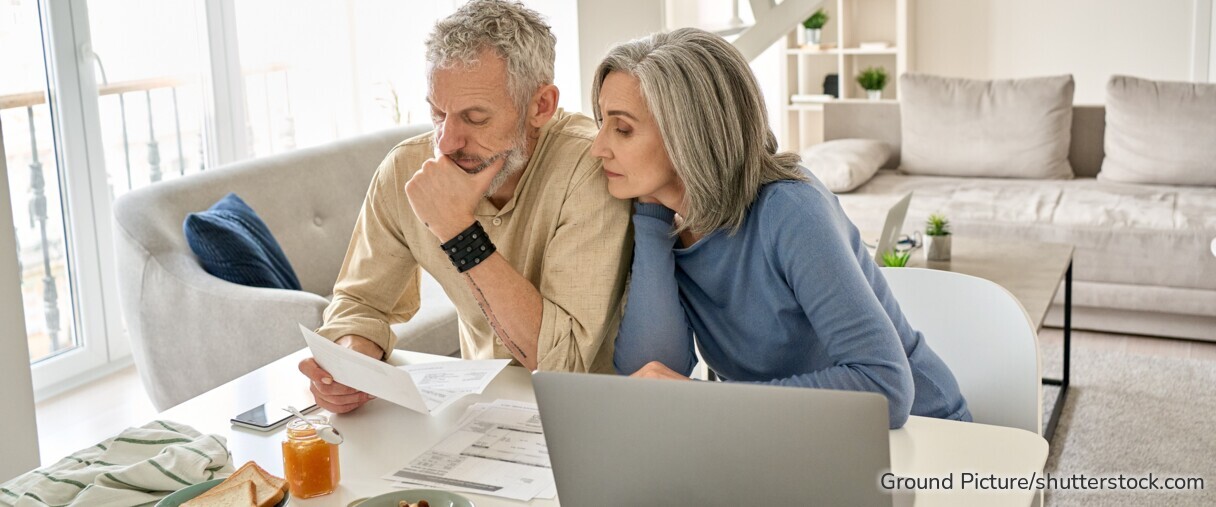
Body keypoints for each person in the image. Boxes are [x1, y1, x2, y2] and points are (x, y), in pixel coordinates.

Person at [596, 28, 970, 429]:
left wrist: (708, 398)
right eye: (601, 123)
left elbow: (885, 388)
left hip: (921, 436)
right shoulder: (669, 220)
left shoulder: (790, 210)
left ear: (689, 134)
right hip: (790, 437)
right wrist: (652, 222)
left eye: (622, 129)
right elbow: (650, 376)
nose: (597, 146)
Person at [300, 0, 632, 414]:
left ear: (540, 106)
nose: (445, 142)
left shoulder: (591, 168)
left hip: (590, 413)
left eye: (475, 118)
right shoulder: (406, 168)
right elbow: (360, 303)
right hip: (479, 413)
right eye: (438, 113)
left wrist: (459, 233)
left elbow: (559, 362)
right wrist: (353, 361)